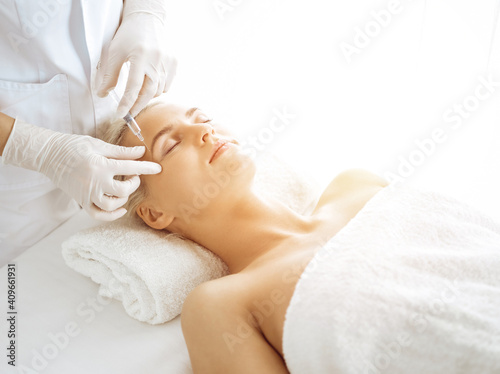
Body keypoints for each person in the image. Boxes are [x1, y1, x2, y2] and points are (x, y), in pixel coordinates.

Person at [102, 100, 389, 373]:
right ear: (153, 213)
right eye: (172, 145)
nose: (204, 131)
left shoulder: (358, 187)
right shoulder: (220, 307)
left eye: (203, 118)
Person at [0, 0, 177, 265]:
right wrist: (39, 150)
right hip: (18, 194)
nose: (207, 133)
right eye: (171, 145)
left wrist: (145, 11)